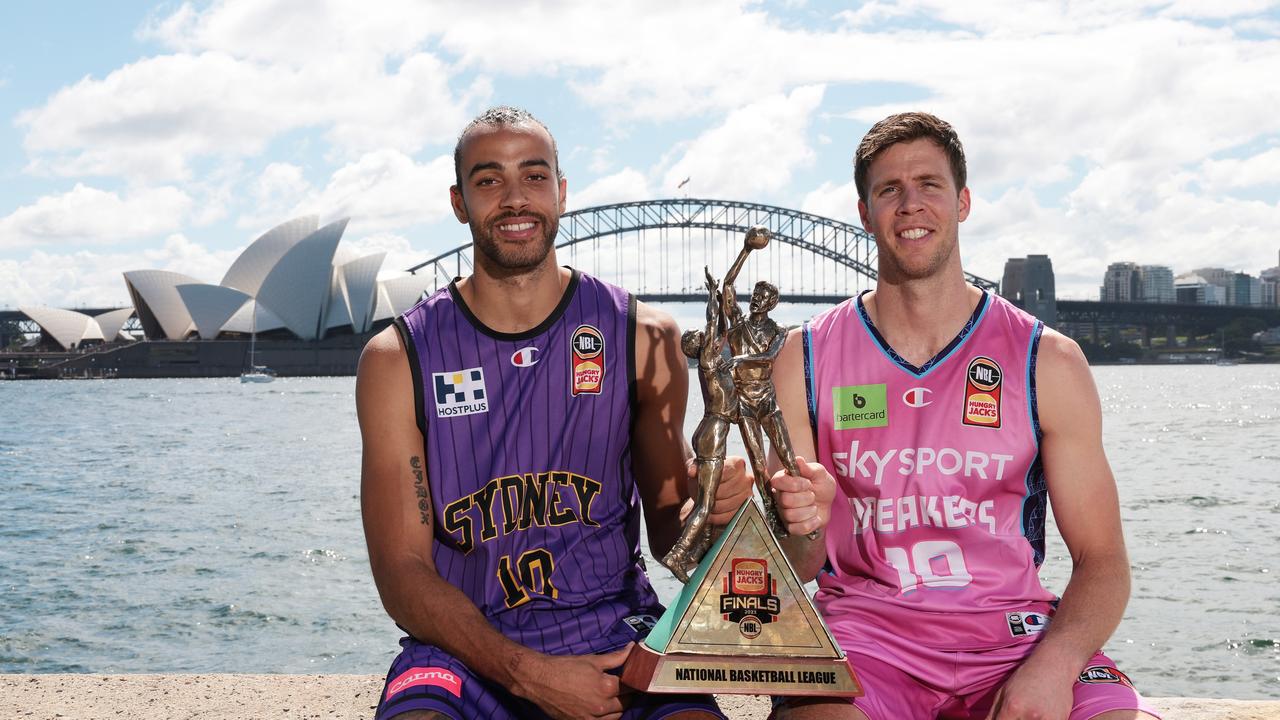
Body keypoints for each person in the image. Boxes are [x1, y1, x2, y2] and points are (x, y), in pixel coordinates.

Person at [357, 106, 748, 720]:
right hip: (465, 650)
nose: (515, 199)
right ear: (459, 202)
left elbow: (674, 534)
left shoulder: (642, 335)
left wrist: (717, 509)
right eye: (489, 181)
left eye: (534, 177)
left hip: (619, 636)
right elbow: (401, 572)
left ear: (561, 193)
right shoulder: (396, 358)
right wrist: (525, 673)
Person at [765, 112, 1160, 720]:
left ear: (964, 201)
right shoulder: (804, 360)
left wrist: (1053, 667)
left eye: (930, 184)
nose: (910, 205)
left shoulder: (1046, 361)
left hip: (1014, 636)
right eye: (889, 190)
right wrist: (802, 524)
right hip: (866, 642)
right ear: (864, 213)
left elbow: (1103, 561)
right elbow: (796, 566)